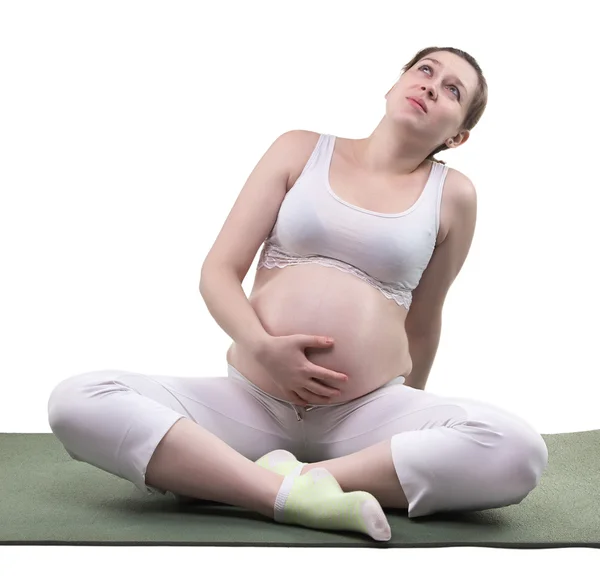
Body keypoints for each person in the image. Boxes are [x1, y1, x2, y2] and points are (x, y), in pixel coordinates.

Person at [47, 46, 549, 542]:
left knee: (519, 449)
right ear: (395, 83)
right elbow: (219, 271)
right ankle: (283, 497)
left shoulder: (454, 196)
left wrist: (409, 439)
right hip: (249, 401)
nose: (430, 86)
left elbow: (424, 317)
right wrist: (262, 347)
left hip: (363, 414)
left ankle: (292, 480)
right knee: (77, 400)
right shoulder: (300, 150)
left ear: (457, 136)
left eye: (451, 90)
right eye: (424, 70)